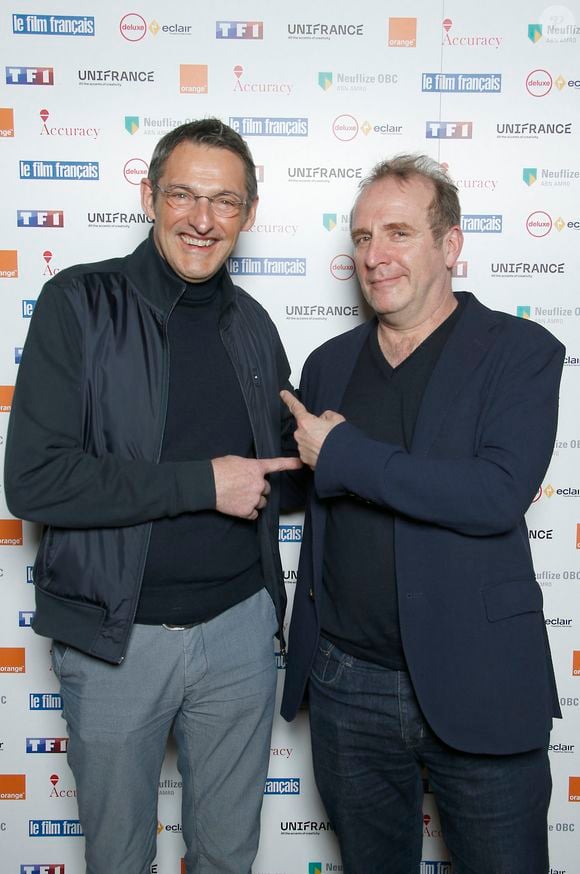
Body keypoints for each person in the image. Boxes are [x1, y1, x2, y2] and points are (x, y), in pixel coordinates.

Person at [5, 118, 301, 874]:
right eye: (183, 195)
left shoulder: (255, 326)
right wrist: (204, 482)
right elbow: (35, 479)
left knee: (229, 856)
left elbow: (270, 475)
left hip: (240, 633)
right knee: (118, 858)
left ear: (250, 213)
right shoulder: (78, 302)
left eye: (225, 201)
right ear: (149, 196)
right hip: (117, 639)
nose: (202, 220)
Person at [280, 154, 564, 874]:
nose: (374, 256)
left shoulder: (519, 352)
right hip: (348, 685)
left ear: (450, 245)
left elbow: (494, 493)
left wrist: (343, 452)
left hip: (481, 677)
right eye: (363, 236)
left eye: (398, 233)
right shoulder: (327, 364)